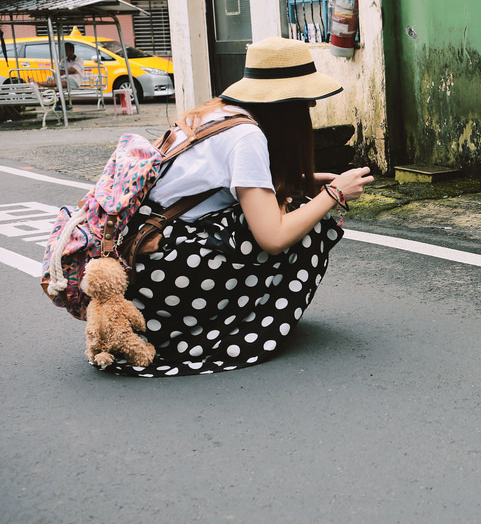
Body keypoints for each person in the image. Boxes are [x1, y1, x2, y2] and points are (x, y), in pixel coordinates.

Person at [95, 37, 374, 377]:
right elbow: (272, 237)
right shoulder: (247, 138)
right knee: (309, 224)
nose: (311, 109)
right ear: (287, 105)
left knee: (294, 201)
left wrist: (306, 180)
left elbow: (223, 187)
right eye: (306, 101)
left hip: (143, 269)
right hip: (167, 278)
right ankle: (246, 329)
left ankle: (200, 322)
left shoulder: (216, 114)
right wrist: (333, 195)